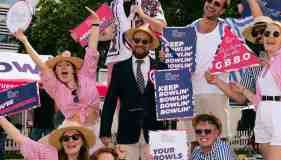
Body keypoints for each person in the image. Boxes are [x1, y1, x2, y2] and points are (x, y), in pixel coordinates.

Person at [13, 9, 103, 152]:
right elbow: (41, 64)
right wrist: (24, 40)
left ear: (74, 69)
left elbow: (92, 49)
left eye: (67, 65)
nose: (62, 68)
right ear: (56, 73)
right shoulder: (56, 88)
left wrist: (96, 25)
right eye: (59, 66)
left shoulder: (87, 75)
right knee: (35, 150)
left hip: (95, 131)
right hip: (70, 135)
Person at [177, 0, 263, 140]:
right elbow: (175, 62)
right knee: (191, 144)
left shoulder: (230, 26)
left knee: (218, 144)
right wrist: (166, 55)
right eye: (209, 1)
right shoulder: (187, 30)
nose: (211, 5)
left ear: (222, 10)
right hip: (188, 98)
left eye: (217, 4)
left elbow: (259, 22)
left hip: (216, 94)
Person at [100, 24, 176, 160]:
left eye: (144, 41)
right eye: (137, 40)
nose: (140, 44)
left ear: (150, 44)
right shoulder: (119, 68)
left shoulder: (163, 68)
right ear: (131, 43)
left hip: (155, 133)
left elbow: (170, 103)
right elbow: (110, 100)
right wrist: (104, 131)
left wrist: (171, 132)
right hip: (126, 133)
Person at [205, 16, 272, 131]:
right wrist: (216, 81)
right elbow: (241, 99)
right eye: (256, 34)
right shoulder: (254, 68)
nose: (260, 36)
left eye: (263, 31)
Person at [232, 21, 281, 160]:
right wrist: (242, 89)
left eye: (276, 34)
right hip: (262, 114)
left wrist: (271, 63)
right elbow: (259, 99)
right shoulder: (264, 65)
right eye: (267, 34)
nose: (270, 37)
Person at [104, 0, 167, 82]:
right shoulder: (112, 3)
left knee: (142, 93)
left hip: (144, 58)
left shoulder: (151, 2)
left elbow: (161, 28)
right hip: (116, 60)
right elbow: (105, 34)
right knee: (113, 94)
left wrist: (143, 15)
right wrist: (100, 33)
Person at [0, 116, 95, 160]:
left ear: (83, 140)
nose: (70, 141)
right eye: (65, 138)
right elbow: (20, 138)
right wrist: (1, 118)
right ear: (61, 142)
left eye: (75, 137)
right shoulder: (51, 155)